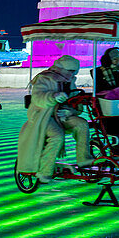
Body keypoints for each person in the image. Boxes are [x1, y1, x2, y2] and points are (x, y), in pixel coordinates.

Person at [17, 55, 92, 184]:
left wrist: (71, 111)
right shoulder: (44, 78)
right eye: (70, 71)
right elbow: (37, 98)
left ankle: (84, 159)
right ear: (61, 69)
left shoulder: (70, 80)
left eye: (74, 72)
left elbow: (75, 101)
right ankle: (45, 170)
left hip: (63, 115)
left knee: (82, 124)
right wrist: (53, 96)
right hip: (43, 115)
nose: (72, 74)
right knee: (56, 135)